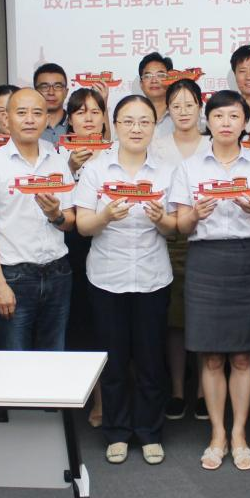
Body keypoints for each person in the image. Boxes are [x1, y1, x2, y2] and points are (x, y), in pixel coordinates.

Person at [172, 90, 250, 471]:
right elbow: (181, 226)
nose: (226, 123)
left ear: (245, 122)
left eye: (234, 116)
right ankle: (217, 433)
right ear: (209, 121)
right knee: (212, 355)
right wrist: (195, 214)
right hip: (205, 261)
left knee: (243, 355)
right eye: (218, 116)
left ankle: (239, 434)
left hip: (246, 259)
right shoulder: (189, 167)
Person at [75, 95, 177, 465]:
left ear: (154, 127)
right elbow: (83, 225)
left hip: (152, 277)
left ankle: (149, 432)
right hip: (107, 277)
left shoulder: (167, 171)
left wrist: (161, 219)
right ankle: (116, 432)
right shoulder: (96, 170)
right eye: (128, 121)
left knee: (151, 361)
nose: (136, 128)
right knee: (114, 361)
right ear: (114, 125)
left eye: (144, 121)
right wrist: (105, 216)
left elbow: (175, 228)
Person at [0, 88, 75, 351]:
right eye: (21, 113)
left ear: (46, 119)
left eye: (37, 113)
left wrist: (55, 215)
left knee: (54, 357)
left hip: (58, 273)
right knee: (15, 361)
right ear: (6, 118)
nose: (29, 119)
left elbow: (70, 221)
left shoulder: (58, 161)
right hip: (14, 277)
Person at [149, 79, 211, 420]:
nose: (183, 111)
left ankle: (202, 391)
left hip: (207, 238)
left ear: (201, 106)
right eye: (176, 105)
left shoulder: (214, 142)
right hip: (168, 237)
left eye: (189, 104)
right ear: (167, 110)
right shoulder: (155, 145)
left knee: (202, 319)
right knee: (174, 322)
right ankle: (176, 390)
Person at [62, 87, 109, 426]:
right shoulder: (56, 156)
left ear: (105, 118)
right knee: (78, 325)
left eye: (95, 111)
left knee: (103, 328)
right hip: (71, 249)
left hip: (109, 246)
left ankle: (104, 400)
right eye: (80, 112)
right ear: (70, 121)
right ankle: (80, 394)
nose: (88, 118)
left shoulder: (118, 153)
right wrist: (69, 168)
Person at [137, 53, 176, 138]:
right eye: (148, 76)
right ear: (141, 84)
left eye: (160, 75)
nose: (154, 80)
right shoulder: (133, 114)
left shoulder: (180, 113)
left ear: (170, 81)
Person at [34, 63, 71, 144]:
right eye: (44, 87)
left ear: (66, 92)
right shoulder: (27, 126)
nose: (51, 92)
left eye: (57, 86)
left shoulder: (77, 123)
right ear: (35, 92)